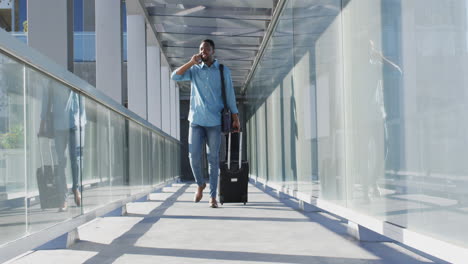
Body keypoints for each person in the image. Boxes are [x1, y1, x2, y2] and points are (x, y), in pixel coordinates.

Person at [171, 39, 240, 208]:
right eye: (201, 49)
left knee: (213, 159)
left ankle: (212, 196)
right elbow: (174, 76)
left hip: (215, 121)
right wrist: (190, 62)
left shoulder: (223, 70)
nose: (204, 51)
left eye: (207, 49)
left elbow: (230, 94)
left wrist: (235, 117)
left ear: (213, 51)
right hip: (196, 120)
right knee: (193, 156)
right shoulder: (194, 70)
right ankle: (200, 184)